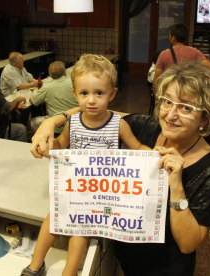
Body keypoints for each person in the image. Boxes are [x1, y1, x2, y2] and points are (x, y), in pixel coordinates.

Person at [30, 62, 210, 275]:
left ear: (205, 118)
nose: (171, 115)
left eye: (186, 107)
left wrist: (177, 186)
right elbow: (95, 106)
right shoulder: (144, 127)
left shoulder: (209, 170)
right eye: (167, 102)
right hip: (126, 258)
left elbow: (188, 245)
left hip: (163, 270)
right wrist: (51, 122)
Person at [22, 54, 151, 276]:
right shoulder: (72, 122)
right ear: (75, 94)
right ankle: (35, 264)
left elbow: (137, 148)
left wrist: (157, 155)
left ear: (112, 94)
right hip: (76, 186)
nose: (91, 100)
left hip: (102, 193)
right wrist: (46, 147)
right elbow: (61, 147)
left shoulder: (118, 124)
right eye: (84, 93)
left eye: (99, 93)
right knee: (53, 218)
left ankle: (69, 271)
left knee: (81, 228)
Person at [152, 23, 210, 91]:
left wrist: (157, 99)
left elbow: (156, 81)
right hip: (189, 92)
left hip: (171, 92)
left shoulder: (163, 54)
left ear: (173, 38)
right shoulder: (195, 52)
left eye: (169, 35)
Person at [29, 61, 79, 134]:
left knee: (32, 122)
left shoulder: (47, 87)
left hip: (56, 126)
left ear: (50, 75)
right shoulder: (75, 83)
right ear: (64, 73)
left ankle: (43, 141)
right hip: (75, 125)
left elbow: (32, 100)